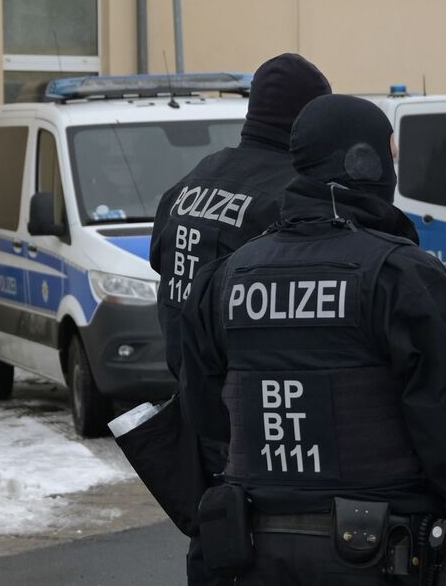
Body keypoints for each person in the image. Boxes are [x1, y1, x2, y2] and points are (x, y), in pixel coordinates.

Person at [178, 94, 446, 586]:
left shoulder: (224, 278)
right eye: (392, 153)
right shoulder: (401, 276)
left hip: (248, 553)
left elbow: (205, 415)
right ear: (365, 163)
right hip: (376, 555)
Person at [142, 53, 331, 585]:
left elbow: (162, 266)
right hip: (258, 425)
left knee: (214, 550)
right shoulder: (287, 196)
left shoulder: (190, 183)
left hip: (193, 406)